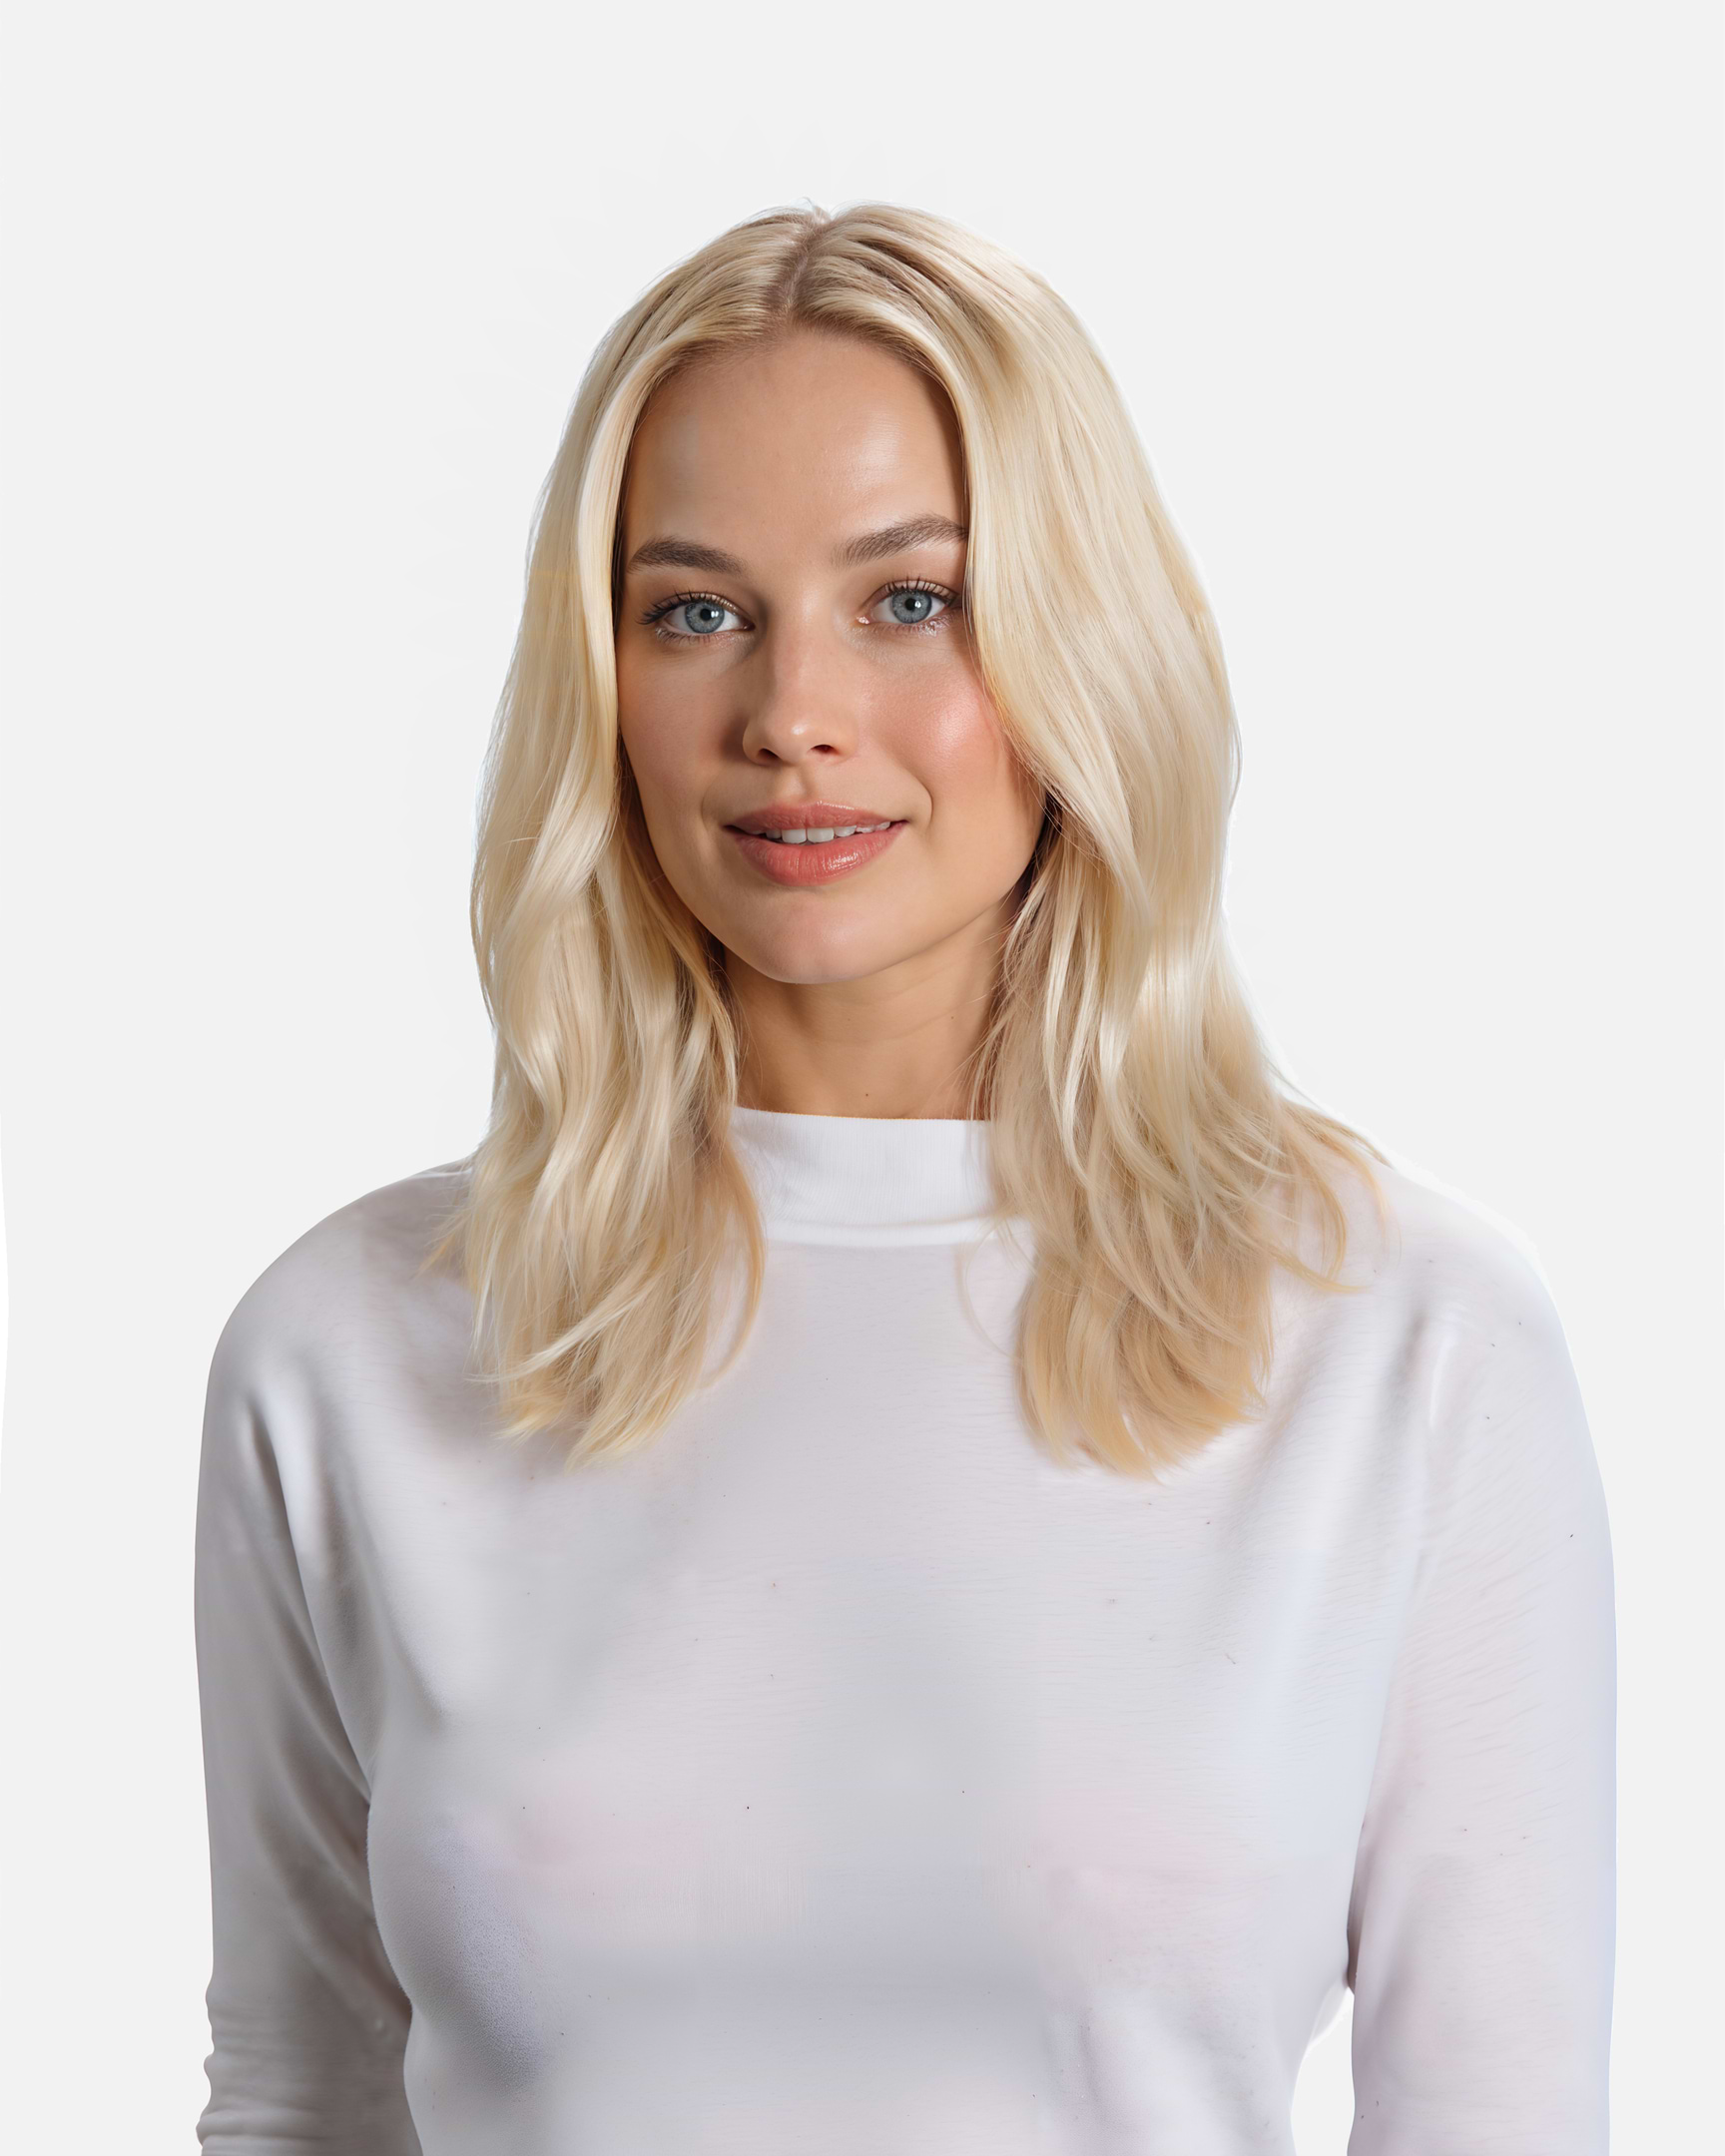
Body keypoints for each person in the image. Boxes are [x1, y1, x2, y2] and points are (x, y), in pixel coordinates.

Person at [193, 202, 1616, 2154]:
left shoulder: (1403, 1341)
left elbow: (1501, 2117)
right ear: (600, 680)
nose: (793, 711)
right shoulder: (356, 1344)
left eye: (912, 599)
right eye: (696, 611)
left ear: (1081, 648)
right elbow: (300, 2099)